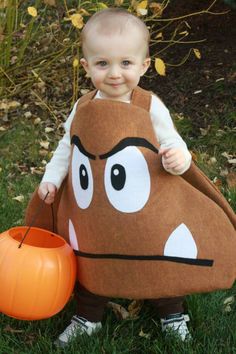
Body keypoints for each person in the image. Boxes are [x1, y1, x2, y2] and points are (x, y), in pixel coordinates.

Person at [38, 8, 192, 346]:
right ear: (86, 66)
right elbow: (68, 146)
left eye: (125, 63)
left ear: (144, 65)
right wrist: (52, 178)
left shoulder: (149, 106)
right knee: (92, 258)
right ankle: (88, 314)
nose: (115, 74)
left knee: (157, 254)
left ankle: (171, 310)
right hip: (95, 207)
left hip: (147, 206)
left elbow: (173, 143)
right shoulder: (84, 107)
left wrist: (178, 158)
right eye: (102, 63)